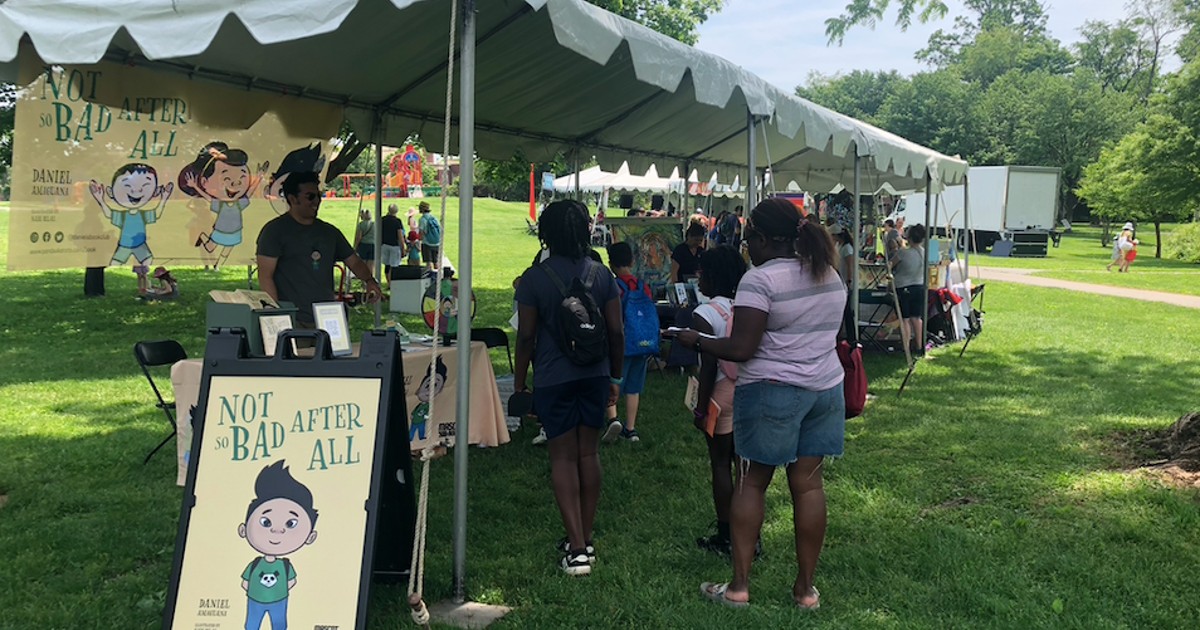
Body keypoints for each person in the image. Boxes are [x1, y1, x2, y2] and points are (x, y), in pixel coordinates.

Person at [672, 197, 847, 610]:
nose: (747, 245)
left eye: (750, 237)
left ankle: (738, 588)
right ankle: (805, 591)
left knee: (752, 482)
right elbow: (828, 334)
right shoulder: (829, 274)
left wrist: (695, 339)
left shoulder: (760, 280)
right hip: (824, 390)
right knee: (809, 487)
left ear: (765, 238)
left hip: (771, 390)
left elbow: (741, 347)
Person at [514, 199, 624, 576]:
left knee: (561, 457)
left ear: (545, 234)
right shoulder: (603, 274)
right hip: (595, 374)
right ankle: (585, 539)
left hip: (553, 376)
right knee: (589, 455)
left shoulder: (534, 279)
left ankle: (576, 548)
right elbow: (615, 331)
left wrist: (520, 382)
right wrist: (616, 377)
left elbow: (526, 335)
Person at [255, 171, 382, 326]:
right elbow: (265, 277)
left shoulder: (329, 232)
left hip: (327, 317)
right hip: (293, 319)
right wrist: (276, 315)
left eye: (318, 195)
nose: (317, 201)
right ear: (292, 199)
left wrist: (369, 280)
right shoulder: (274, 232)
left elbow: (354, 262)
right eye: (310, 196)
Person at [689, 245, 747, 556]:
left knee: (720, 464)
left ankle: (725, 534)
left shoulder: (705, 313)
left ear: (712, 276)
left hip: (721, 392)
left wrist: (701, 407)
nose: (698, 276)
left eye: (702, 271)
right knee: (745, 467)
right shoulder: (747, 306)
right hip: (748, 389)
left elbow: (709, 364)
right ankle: (750, 532)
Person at [603, 241, 652, 443]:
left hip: (620, 344)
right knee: (634, 387)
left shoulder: (613, 287)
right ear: (632, 261)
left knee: (611, 380)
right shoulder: (643, 286)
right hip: (642, 342)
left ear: (610, 263)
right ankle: (631, 429)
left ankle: (613, 418)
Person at [890, 223, 927, 353]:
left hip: (903, 287)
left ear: (908, 238)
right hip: (919, 286)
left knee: (905, 318)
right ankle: (919, 345)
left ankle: (905, 346)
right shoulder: (925, 254)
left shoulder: (903, 253)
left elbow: (890, 265)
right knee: (916, 318)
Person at [379, 204, 405, 278]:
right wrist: (402, 248)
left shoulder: (382, 219)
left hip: (384, 245)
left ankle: (388, 282)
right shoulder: (397, 221)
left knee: (387, 265)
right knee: (394, 266)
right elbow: (400, 236)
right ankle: (393, 282)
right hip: (394, 246)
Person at [417, 201, 443, 271]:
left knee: (428, 263)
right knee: (436, 262)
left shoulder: (422, 219)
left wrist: (418, 240)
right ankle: (438, 276)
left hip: (427, 243)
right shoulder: (434, 218)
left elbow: (421, 234)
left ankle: (431, 278)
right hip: (436, 243)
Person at [353, 208, 377, 273]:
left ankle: (364, 281)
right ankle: (370, 280)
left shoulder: (361, 225)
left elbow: (359, 237)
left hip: (363, 246)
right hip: (373, 246)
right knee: (371, 265)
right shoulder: (375, 224)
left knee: (363, 265)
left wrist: (355, 247)